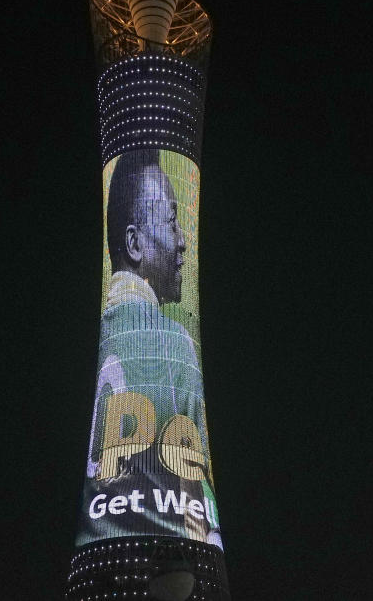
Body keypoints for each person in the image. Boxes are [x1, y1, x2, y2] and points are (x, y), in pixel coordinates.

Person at [77, 149, 220, 548]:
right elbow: (196, 493)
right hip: (170, 560)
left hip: (101, 555)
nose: (182, 241)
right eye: (173, 222)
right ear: (134, 243)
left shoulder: (107, 334)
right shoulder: (174, 343)